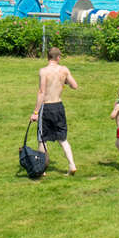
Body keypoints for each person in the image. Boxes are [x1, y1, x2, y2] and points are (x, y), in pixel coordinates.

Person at [31, 47, 79, 175]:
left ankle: (42, 168)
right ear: (58, 57)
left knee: (42, 139)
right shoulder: (64, 70)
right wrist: (63, 81)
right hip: (58, 106)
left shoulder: (43, 71)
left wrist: (35, 112)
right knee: (62, 138)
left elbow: (42, 92)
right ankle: (72, 165)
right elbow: (74, 85)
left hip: (46, 107)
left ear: (48, 57)